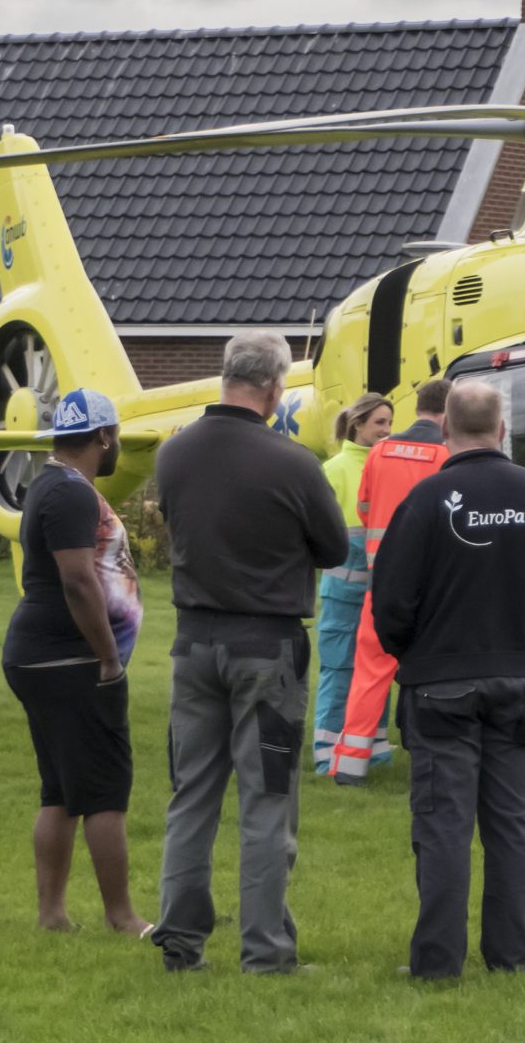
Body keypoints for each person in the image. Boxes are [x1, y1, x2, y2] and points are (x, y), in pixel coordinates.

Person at [369, 382, 525, 979]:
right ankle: (513, 958)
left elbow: (388, 603)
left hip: (440, 685)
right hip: (520, 683)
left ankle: (438, 963)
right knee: (512, 825)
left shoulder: (427, 499)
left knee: (443, 828)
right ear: (502, 430)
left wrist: (418, 650)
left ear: (444, 430)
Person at [149, 331, 347, 975]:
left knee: (192, 796)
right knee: (265, 803)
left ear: (225, 374)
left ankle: (179, 940)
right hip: (267, 647)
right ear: (275, 386)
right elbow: (335, 549)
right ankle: (265, 953)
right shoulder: (293, 463)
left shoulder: (173, 455)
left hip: (193, 644)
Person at [0, 387, 151, 938]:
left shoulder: (52, 485)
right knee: (105, 791)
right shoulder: (71, 494)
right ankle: (123, 917)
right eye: (116, 439)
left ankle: (53, 916)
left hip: (44, 655)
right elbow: (76, 578)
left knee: (61, 790)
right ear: (104, 437)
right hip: (67, 657)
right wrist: (107, 661)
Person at [328, 378, 451, 786]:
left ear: (417, 408)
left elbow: (364, 509)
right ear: (447, 412)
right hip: (434, 589)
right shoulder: (447, 456)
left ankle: (347, 767)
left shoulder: (380, 452)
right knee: (437, 675)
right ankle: (434, 760)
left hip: (382, 586)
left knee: (368, 674)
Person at [314, 392, 395, 773]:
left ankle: (373, 750)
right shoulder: (334, 469)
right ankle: (327, 753)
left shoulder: (388, 466)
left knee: (379, 672)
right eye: (380, 422)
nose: (387, 431)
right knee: (339, 670)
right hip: (343, 595)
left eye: (389, 423)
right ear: (357, 424)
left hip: (380, 594)